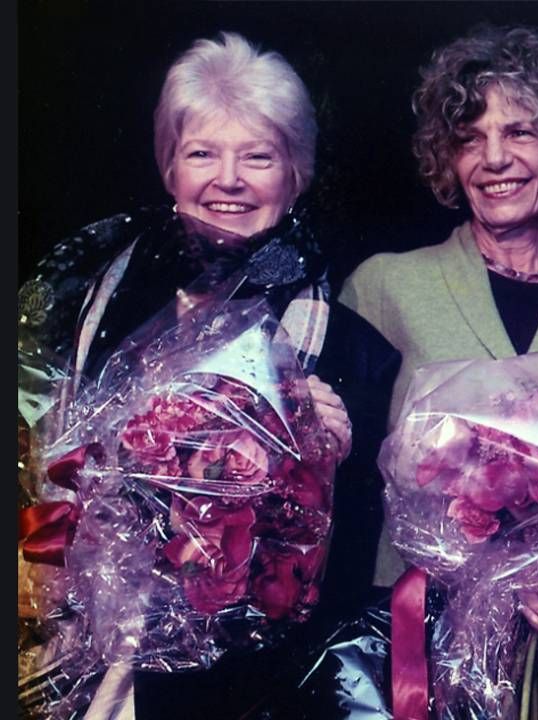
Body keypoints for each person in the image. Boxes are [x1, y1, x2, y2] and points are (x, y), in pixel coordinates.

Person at [17, 32, 400, 719]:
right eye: (202, 153)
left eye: (259, 156)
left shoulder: (356, 350)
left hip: (261, 694)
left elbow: (342, 584)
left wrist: (322, 457)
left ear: (295, 175)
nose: (229, 178)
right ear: (170, 169)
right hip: (95, 677)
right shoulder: (89, 311)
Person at [336, 22, 538, 712]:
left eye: (520, 133)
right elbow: (342, 494)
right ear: (446, 160)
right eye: (470, 138)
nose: (494, 158)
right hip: (407, 648)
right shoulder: (386, 288)